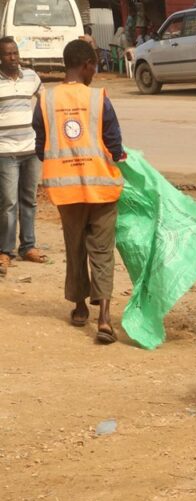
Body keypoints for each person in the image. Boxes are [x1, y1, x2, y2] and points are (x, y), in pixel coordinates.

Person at [32, 39, 125, 344]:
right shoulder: (98, 99)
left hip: (65, 191)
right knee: (102, 251)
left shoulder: (46, 100)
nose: (95, 72)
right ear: (86, 65)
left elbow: (41, 146)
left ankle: (80, 307)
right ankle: (105, 319)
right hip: (101, 188)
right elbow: (114, 144)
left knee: (75, 248)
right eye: (95, 66)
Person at [0, 36, 46, 276]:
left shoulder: (31, 77)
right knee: (8, 203)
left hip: (31, 150)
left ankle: (28, 246)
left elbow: (45, 100)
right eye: (8, 54)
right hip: (5, 152)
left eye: (15, 53)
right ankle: (5, 251)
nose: (13, 58)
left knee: (29, 200)